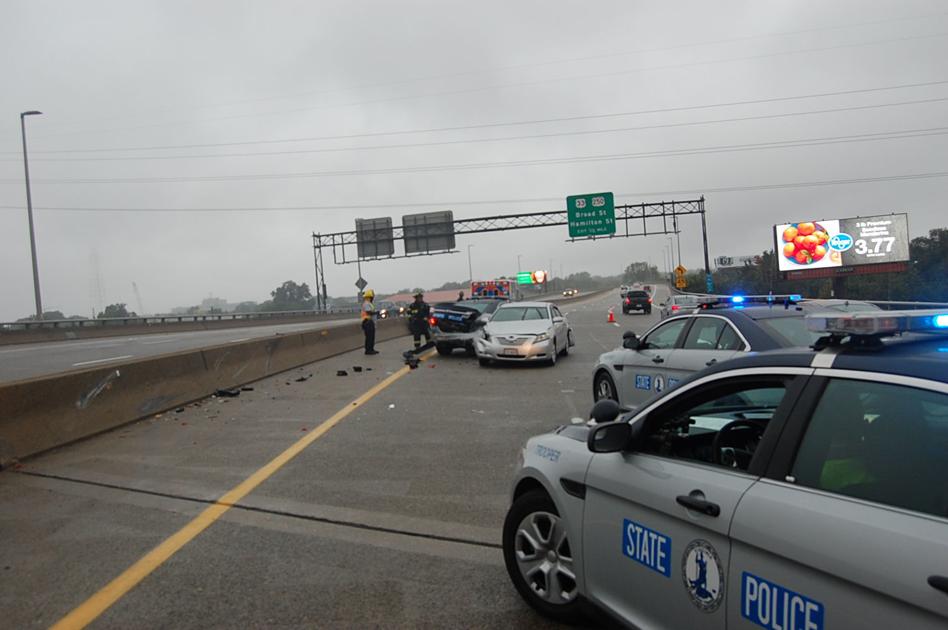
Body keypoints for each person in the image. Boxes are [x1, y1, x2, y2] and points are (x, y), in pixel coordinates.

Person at [361, 289, 378, 355]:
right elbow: (368, 312)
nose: (373, 298)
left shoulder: (369, 304)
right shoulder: (366, 304)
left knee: (372, 337)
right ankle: (368, 350)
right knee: (369, 337)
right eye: (372, 297)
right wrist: (376, 312)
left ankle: (371, 349)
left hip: (370, 322)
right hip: (367, 322)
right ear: (370, 297)